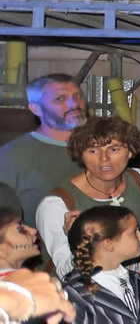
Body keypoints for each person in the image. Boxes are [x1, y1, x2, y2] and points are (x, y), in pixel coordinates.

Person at [36, 117, 140, 282]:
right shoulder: (57, 203)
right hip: (88, 301)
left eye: (114, 149)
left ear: (129, 151)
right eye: (93, 150)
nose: (104, 159)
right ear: (81, 155)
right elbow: (65, 270)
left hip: (138, 294)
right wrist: (78, 241)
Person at [0, 75, 88, 226]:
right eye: (60, 99)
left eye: (78, 95)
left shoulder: (100, 149)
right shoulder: (12, 156)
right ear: (36, 108)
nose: (74, 104)